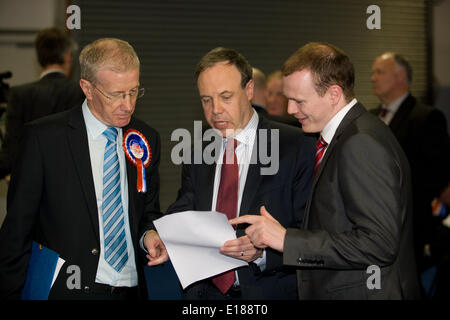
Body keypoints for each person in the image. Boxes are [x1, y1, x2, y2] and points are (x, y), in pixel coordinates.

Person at [230, 42, 421, 299]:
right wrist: (282, 241)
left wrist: (288, 240)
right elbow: (336, 226)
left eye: (299, 101)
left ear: (333, 94)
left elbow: (379, 243)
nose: (290, 110)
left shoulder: (360, 143)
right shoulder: (348, 135)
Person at [0, 38, 168, 300]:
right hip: (66, 290)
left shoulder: (146, 138)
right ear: (87, 88)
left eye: (134, 91)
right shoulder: (44, 139)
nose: (128, 104)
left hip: (131, 290)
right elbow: (17, 230)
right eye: (115, 94)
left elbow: (147, 210)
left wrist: (149, 234)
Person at [166, 47, 315, 300]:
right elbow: (185, 209)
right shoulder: (195, 152)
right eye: (206, 100)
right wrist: (160, 233)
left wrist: (264, 253)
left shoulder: (296, 146)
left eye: (225, 97)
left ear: (249, 90)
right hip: (204, 295)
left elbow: (311, 232)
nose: (215, 110)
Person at [370, 52, 450, 282]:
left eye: (380, 72)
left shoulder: (426, 117)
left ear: (400, 77)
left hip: (410, 224)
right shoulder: (371, 117)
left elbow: (438, 172)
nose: (373, 78)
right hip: (375, 223)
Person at [0, 27, 85, 180]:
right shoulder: (80, 92)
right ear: (67, 56)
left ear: (39, 57)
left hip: (31, 182)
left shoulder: (19, 94)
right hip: (68, 182)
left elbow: (11, 149)